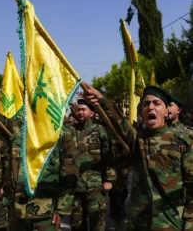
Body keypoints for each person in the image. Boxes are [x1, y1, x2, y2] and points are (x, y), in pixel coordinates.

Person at [0, 74, 75, 231]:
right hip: (16, 210)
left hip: (45, 211)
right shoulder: (16, 127)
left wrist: (62, 208)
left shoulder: (60, 132)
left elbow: (70, 171)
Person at [83, 84, 193, 230]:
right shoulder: (137, 139)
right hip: (138, 222)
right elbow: (119, 121)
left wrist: (189, 224)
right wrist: (102, 100)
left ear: (166, 111)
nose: (150, 107)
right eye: (146, 104)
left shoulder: (183, 142)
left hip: (169, 223)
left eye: (156, 103)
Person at [69, 99, 115, 231]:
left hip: (95, 186)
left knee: (97, 222)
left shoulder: (99, 130)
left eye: (84, 109)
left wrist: (108, 179)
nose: (80, 112)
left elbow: (108, 156)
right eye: (78, 110)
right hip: (75, 186)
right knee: (76, 223)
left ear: (92, 113)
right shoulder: (71, 131)